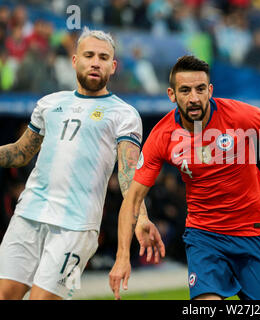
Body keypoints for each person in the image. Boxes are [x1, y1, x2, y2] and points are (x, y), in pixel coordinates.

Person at [109, 55, 260, 300]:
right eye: (185, 90)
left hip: (253, 234)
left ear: (210, 90)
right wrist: (122, 257)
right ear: (171, 94)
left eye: (200, 89)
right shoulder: (162, 136)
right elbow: (132, 199)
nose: (194, 98)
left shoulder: (238, 115)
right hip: (204, 237)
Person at [0, 27, 150, 300]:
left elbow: (129, 176)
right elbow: (21, 152)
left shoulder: (125, 114)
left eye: (103, 58)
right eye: (89, 55)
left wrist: (142, 218)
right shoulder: (49, 103)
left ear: (113, 66)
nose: (95, 62)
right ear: (74, 61)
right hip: (28, 216)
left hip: (77, 228)